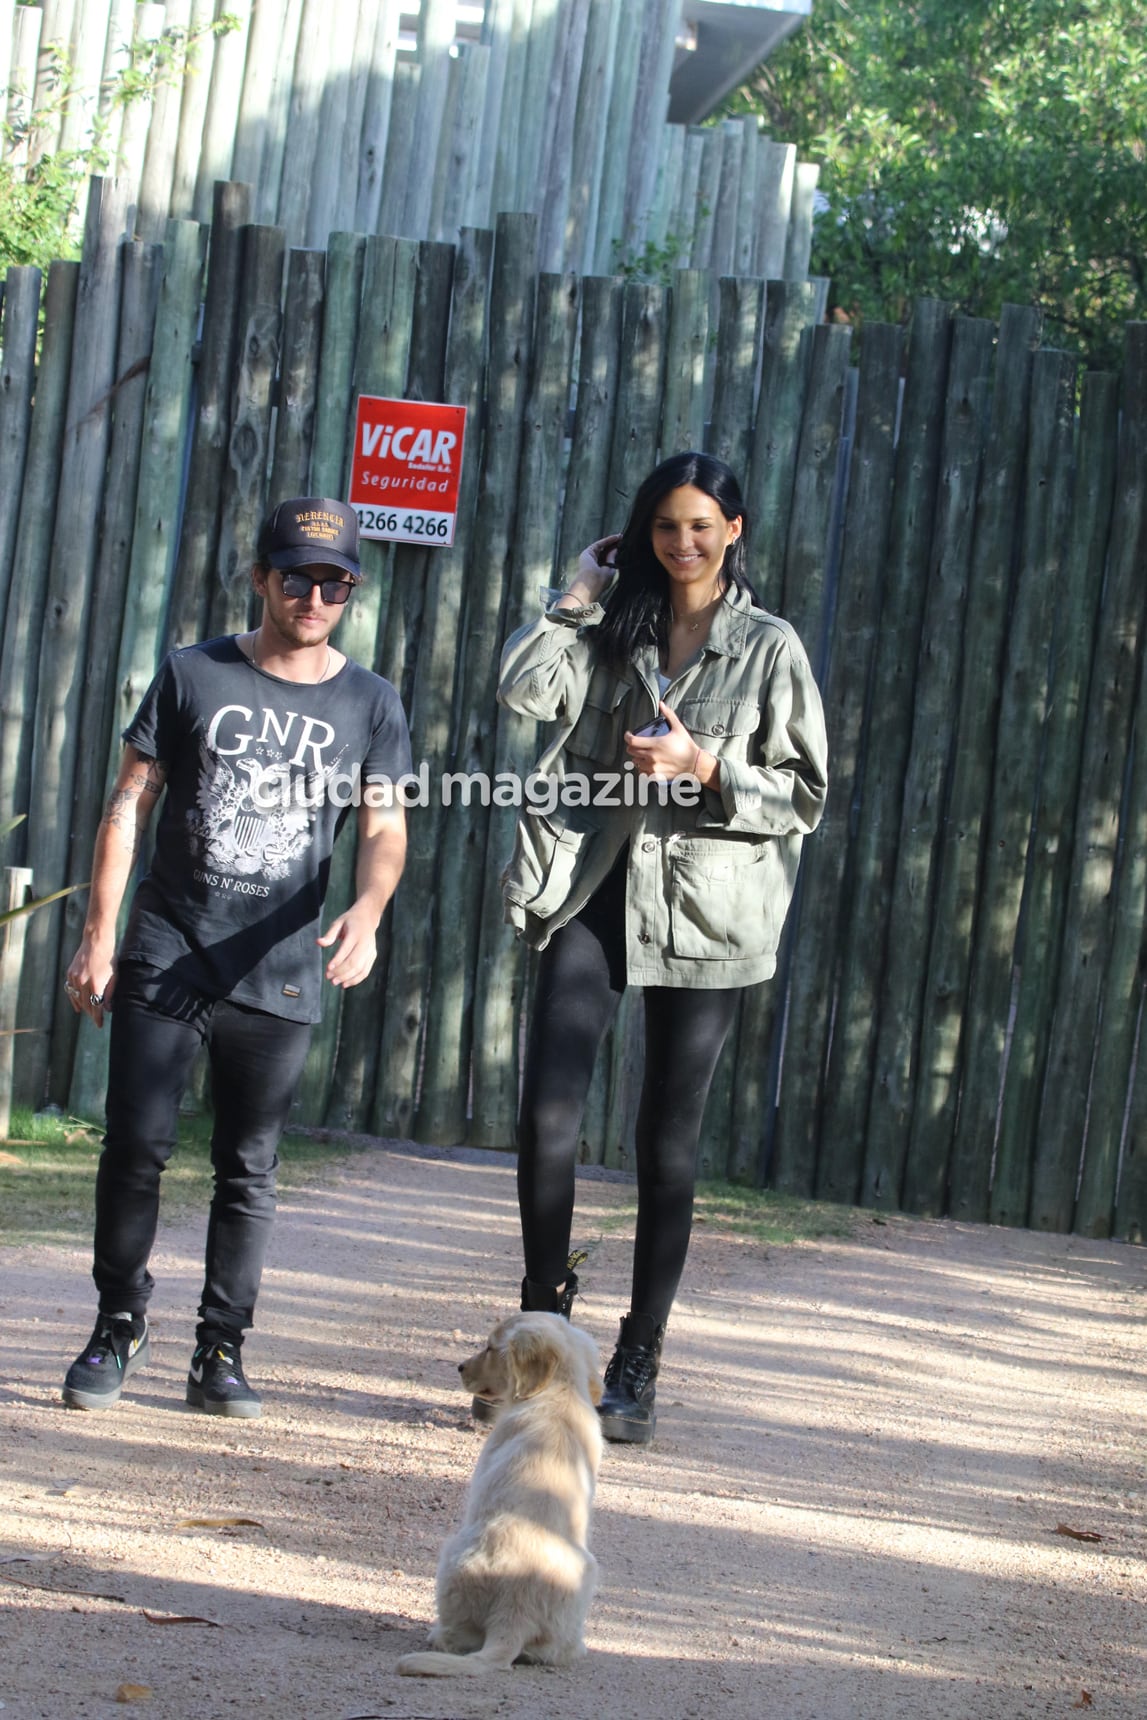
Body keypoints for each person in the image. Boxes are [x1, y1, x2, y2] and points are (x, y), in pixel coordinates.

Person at [492, 451, 828, 1445]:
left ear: (734, 530)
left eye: (700, 525)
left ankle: (636, 1361)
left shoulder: (770, 649)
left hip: (707, 915)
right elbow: (521, 693)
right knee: (546, 1116)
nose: (681, 543)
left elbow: (804, 796)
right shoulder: (611, 626)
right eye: (664, 526)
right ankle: (542, 1339)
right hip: (597, 887)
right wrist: (575, 595)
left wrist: (702, 762)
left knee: (664, 1145)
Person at [60, 497, 410, 1418]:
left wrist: (369, 911)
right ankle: (117, 1322)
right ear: (260, 578)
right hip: (170, 946)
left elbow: (383, 822)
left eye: (334, 582)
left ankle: (221, 1349)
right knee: (135, 1146)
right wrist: (99, 936)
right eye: (295, 575)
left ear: (351, 592)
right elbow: (129, 803)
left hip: (280, 961)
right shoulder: (192, 673)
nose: (314, 595)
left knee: (247, 1166)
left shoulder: (371, 702)